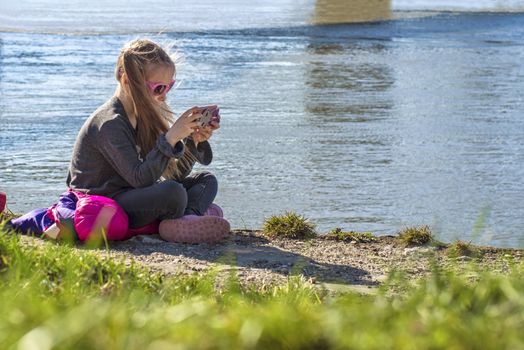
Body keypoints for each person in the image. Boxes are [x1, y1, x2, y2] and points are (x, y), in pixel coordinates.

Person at [66, 38, 230, 243]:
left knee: (206, 180)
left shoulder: (143, 117)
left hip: (134, 193)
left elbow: (166, 175)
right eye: (158, 88)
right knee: (173, 193)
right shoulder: (110, 123)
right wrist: (171, 137)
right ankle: (188, 215)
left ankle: (188, 217)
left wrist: (191, 141)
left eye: (168, 87)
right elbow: (141, 178)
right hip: (105, 200)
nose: (163, 96)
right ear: (125, 80)